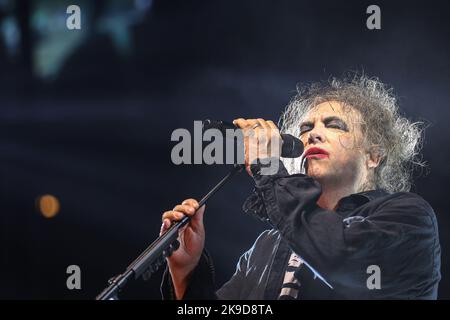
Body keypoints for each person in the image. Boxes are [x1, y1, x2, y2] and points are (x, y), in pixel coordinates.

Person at [159, 74, 441, 299]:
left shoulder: (410, 219)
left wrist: (268, 167)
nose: (313, 134)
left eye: (335, 125)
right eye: (305, 129)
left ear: (374, 155)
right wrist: (186, 274)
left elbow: (340, 257)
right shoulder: (268, 245)